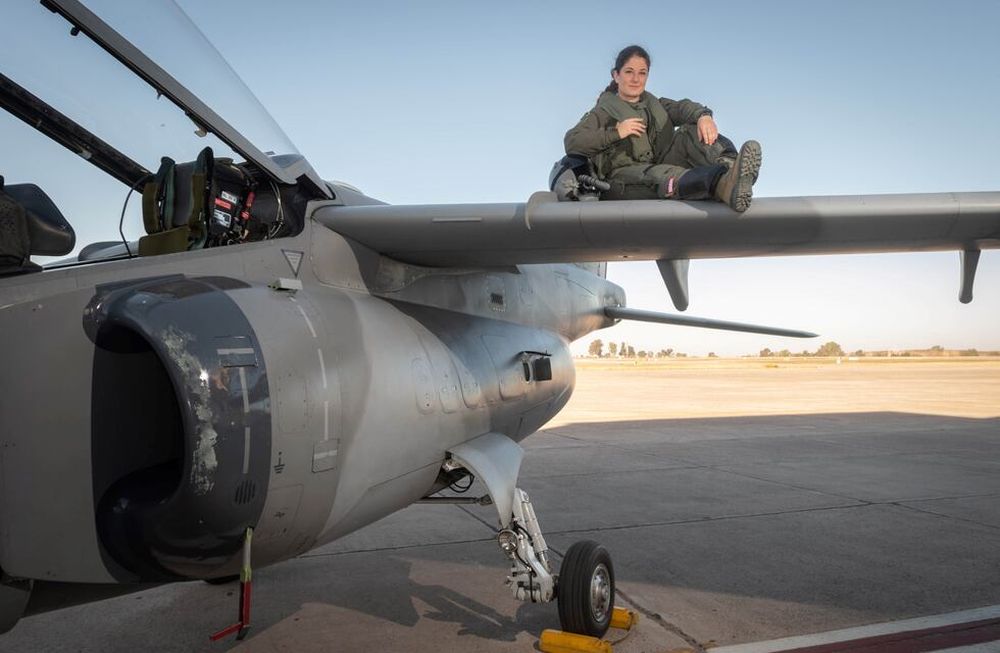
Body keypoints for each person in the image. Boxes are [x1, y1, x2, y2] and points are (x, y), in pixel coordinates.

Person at [564, 45, 761, 212]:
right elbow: (572, 141)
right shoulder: (603, 112)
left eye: (642, 73)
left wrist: (704, 116)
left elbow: (682, 108)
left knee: (690, 130)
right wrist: (617, 132)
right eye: (629, 72)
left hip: (660, 162)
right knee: (663, 174)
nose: (635, 79)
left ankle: (733, 171)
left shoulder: (654, 104)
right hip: (621, 179)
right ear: (616, 75)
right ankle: (721, 185)